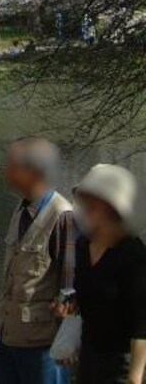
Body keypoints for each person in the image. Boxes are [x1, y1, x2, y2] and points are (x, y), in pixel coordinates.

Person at [0, 137, 75, 384]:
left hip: (41, 349)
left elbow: (71, 289)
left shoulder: (63, 217)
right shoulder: (21, 210)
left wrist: (68, 343)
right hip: (7, 338)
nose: (4, 170)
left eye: (11, 165)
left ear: (33, 173)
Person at [71, 164, 146, 384]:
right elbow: (87, 298)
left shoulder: (134, 255)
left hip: (121, 366)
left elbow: (142, 324)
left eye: (92, 205)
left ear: (111, 208)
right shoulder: (83, 246)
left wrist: (135, 377)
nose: (84, 209)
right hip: (88, 360)